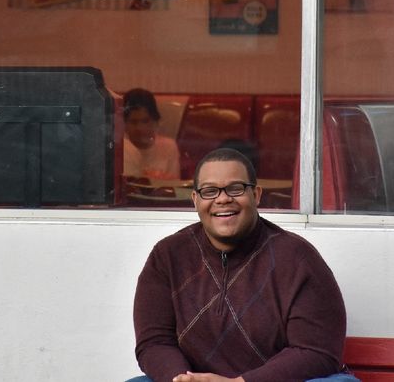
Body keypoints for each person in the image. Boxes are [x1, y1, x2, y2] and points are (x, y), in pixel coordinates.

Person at [129, 148, 359, 382]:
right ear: (195, 200)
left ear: (256, 195)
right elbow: (154, 342)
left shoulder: (298, 259)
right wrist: (180, 379)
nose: (222, 199)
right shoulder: (167, 256)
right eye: (209, 191)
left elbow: (317, 351)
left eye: (235, 189)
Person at [123, 88, 181, 180]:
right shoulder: (121, 149)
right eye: (134, 122)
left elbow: (174, 185)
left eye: (145, 121)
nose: (140, 128)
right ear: (124, 123)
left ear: (155, 121)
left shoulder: (169, 147)